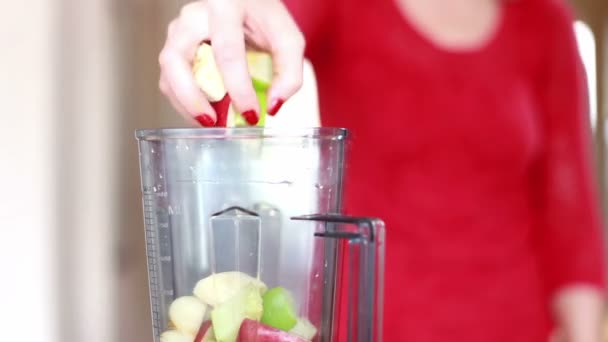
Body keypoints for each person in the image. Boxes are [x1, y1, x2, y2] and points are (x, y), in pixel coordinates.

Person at [157, 0, 606, 340]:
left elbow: (571, 223)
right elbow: (266, 18)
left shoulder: (544, 22)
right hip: (370, 323)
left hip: (512, 324)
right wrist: (221, 20)